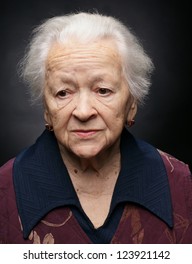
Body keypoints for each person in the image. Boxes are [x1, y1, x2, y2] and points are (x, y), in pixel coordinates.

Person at [0, 12, 191, 244]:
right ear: (47, 110)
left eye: (103, 90)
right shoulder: (5, 190)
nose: (83, 111)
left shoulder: (182, 185)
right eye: (63, 93)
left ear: (132, 104)